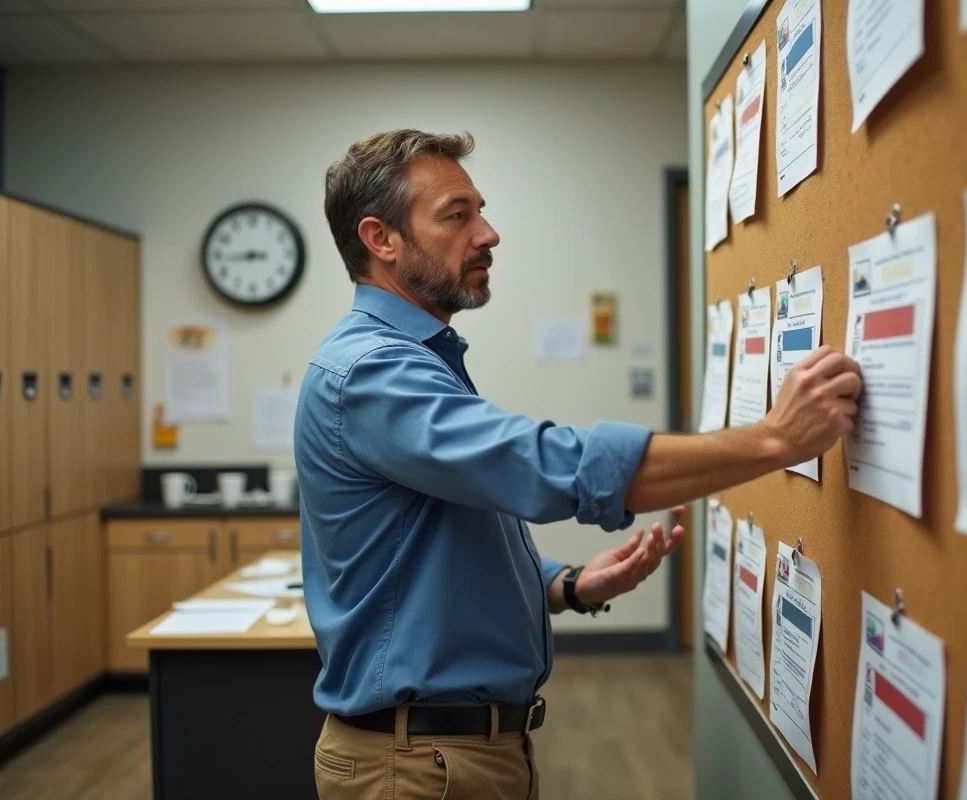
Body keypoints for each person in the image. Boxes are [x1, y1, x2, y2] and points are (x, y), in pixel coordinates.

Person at [294, 129, 862, 800]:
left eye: (481, 209)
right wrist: (775, 441)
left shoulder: (416, 358)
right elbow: (541, 467)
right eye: (458, 214)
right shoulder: (371, 371)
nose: (488, 233)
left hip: (453, 753)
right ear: (381, 239)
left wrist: (565, 586)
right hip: (418, 765)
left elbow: (434, 549)